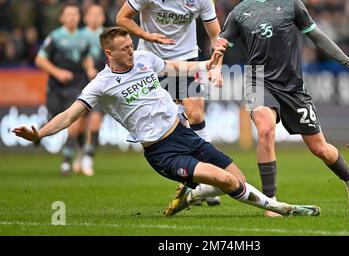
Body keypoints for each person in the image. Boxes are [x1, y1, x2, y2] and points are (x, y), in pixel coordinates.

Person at [13, 26, 321, 218]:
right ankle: (284, 209)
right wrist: (39, 133)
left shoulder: (145, 59)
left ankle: (192, 193)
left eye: (131, 47)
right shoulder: (101, 85)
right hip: (162, 152)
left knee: (236, 179)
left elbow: (176, 66)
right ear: (109, 54)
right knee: (227, 182)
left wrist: (208, 65)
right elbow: (70, 114)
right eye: (124, 50)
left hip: (185, 134)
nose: (131, 53)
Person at [214, 0, 349, 216]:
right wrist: (216, 66)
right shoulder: (239, 13)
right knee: (265, 130)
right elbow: (221, 44)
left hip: (292, 87)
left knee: (320, 149)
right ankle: (271, 202)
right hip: (257, 82)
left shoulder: (291, 5)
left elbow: (320, 39)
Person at [116, 0, 223, 206]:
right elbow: (122, 18)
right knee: (174, 124)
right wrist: (146, 35)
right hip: (152, 64)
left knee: (196, 114)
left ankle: (206, 182)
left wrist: (217, 66)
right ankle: (191, 181)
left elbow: (215, 35)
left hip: (187, 60)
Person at [35, 3, 96, 176]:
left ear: (79, 17)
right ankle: (39, 132)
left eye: (75, 14)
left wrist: (90, 69)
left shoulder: (84, 38)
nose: (71, 17)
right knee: (53, 117)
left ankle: (66, 162)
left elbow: (87, 58)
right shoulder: (55, 37)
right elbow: (40, 59)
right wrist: (57, 72)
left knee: (74, 123)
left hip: (77, 86)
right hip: (55, 87)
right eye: (68, 14)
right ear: (62, 17)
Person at [72, 4, 106, 176]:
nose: (95, 17)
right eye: (92, 14)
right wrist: (87, 67)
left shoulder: (108, 35)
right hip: (80, 84)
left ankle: (88, 159)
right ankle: (79, 153)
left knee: (95, 122)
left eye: (99, 13)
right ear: (85, 17)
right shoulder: (78, 36)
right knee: (78, 126)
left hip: (101, 86)